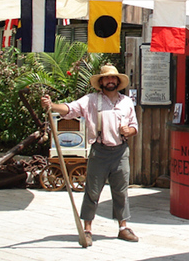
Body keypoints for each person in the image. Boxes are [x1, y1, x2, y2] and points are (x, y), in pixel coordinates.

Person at [41, 64, 139, 246]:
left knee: (121, 192)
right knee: (92, 191)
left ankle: (123, 228)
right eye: (107, 78)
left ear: (118, 81)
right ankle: (87, 230)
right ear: (101, 82)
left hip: (120, 151)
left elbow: (135, 126)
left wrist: (129, 130)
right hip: (99, 152)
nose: (110, 81)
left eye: (113, 78)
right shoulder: (91, 100)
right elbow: (69, 110)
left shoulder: (126, 102)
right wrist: (52, 105)